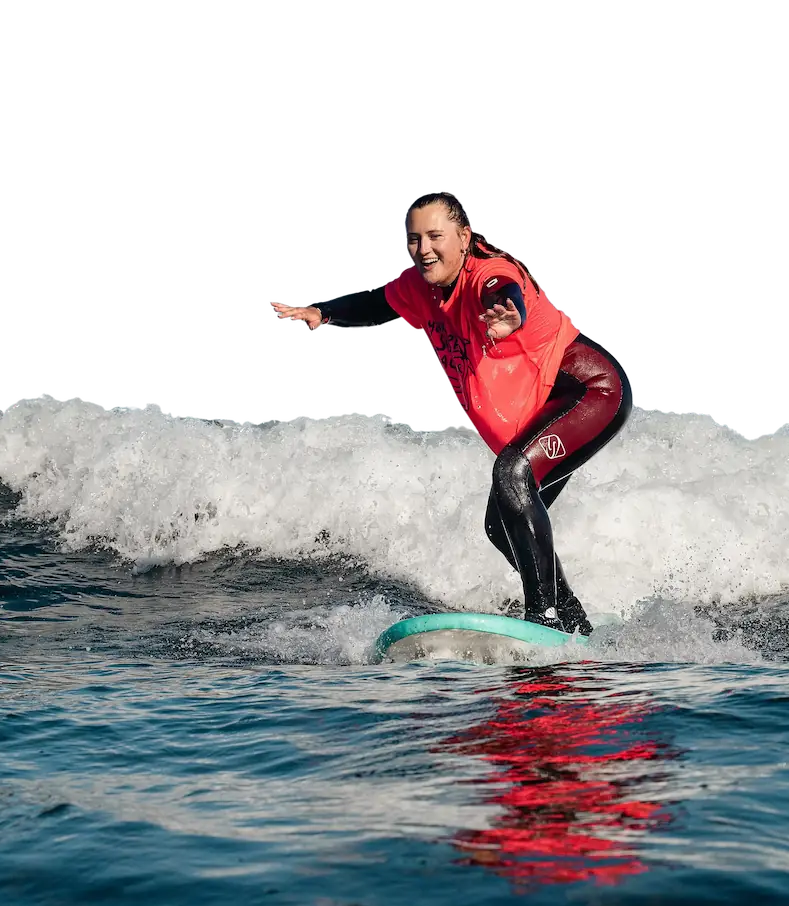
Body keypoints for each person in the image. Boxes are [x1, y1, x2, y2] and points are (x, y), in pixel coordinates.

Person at [269, 191, 631, 636]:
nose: (424, 249)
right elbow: (377, 304)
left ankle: (544, 616)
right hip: (552, 405)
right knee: (500, 524)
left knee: (512, 475)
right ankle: (572, 620)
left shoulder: (489, 275)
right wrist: (322, 312)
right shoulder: (419, 288)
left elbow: (504, 289)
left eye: (435, 236)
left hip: (593, 392)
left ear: (463, 237)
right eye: (414, 239)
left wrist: (510, 314)